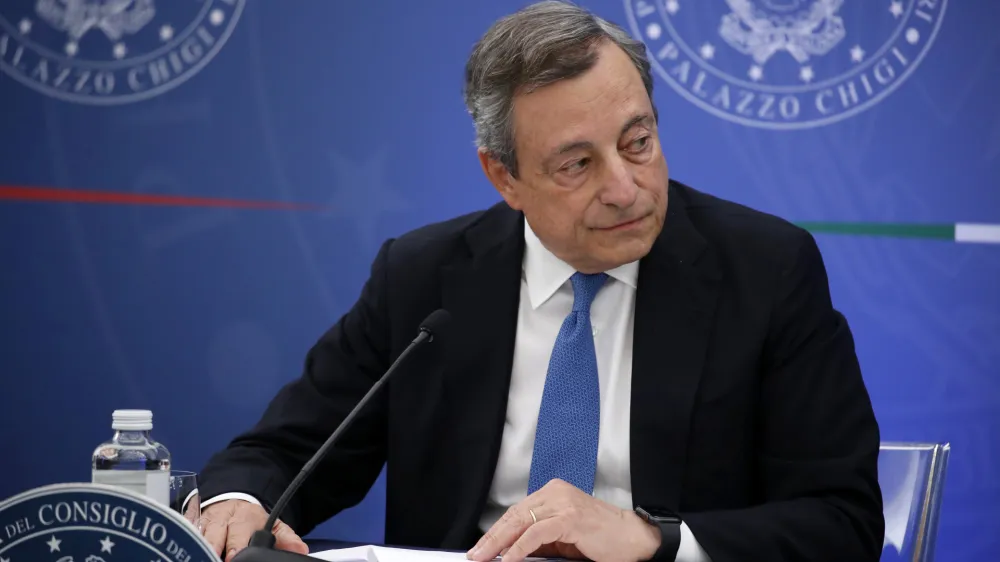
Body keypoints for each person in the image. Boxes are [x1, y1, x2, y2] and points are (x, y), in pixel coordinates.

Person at [196, 2, 885, 561]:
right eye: (577, 164)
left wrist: (653, 538)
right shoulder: (423, 278)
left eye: (638, 141)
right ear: (504, 177)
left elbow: (842, 520)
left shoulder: (765, 269)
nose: (625, 188)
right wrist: (240, 504)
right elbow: (282, 452)